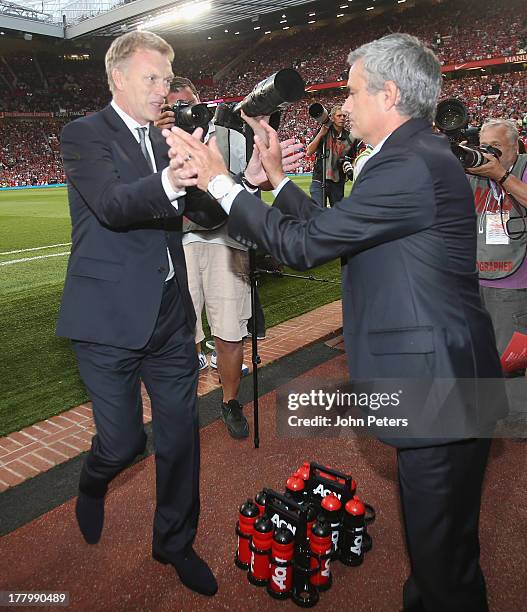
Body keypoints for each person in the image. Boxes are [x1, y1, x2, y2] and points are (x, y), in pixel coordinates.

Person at [164, 33, 506, 611]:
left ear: (389, 93)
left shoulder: (410, 163)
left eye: (350, 93)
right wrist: (277, 182)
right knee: (440, 550)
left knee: (444, 563)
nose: (342, 107)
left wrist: (222, 181)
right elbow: (344, 227)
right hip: (445, 376)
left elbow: (305, 248)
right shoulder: (415, 155)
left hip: (436, 387)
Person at [57, 31, 223, 596]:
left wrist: (230, 182)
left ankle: (174, 542)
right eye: (151, 79)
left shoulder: (167, 138)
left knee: (180, 436)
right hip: (107, 323)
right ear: (118, 79)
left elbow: (200, 211)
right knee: (125, 442)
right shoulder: (84, 134)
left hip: (170, 320)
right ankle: (94, 479)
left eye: (167, 80)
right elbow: (113, 204)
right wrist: (172, 178)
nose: (163, 90)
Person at [157, 76, 252, 439]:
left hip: (225, 241)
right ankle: (186, 405)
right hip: (179, 244)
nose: (184, 109)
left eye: (189, 101)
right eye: (175, 104)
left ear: (201, 101)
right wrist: (156, 137)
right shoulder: (154, 139)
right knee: (183, 333)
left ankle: (229, 402)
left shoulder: (227, 130)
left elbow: (246, 184)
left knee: (230, 331)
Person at [466, 118, 527, 421]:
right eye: (484, 147)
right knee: (481, 352)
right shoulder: (473, 172)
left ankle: (518, 418)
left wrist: (501, 175)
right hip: (476, 278)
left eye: (497, 148)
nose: (489, 154)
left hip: (512, 282)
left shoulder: (523, 167)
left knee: (511, 356)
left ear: (516, 147)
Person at [306, 104, 354, 207]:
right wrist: (321, 134)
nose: (342, 118)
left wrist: (348, 164)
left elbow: (353, 158)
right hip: (319, 178)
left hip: (338, 181)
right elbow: (309, 151)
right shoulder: (323, 130)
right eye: (339, 116)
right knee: (317, 211)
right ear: (332, 118)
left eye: (344, 116)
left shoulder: (350, 137)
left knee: (337, 214)